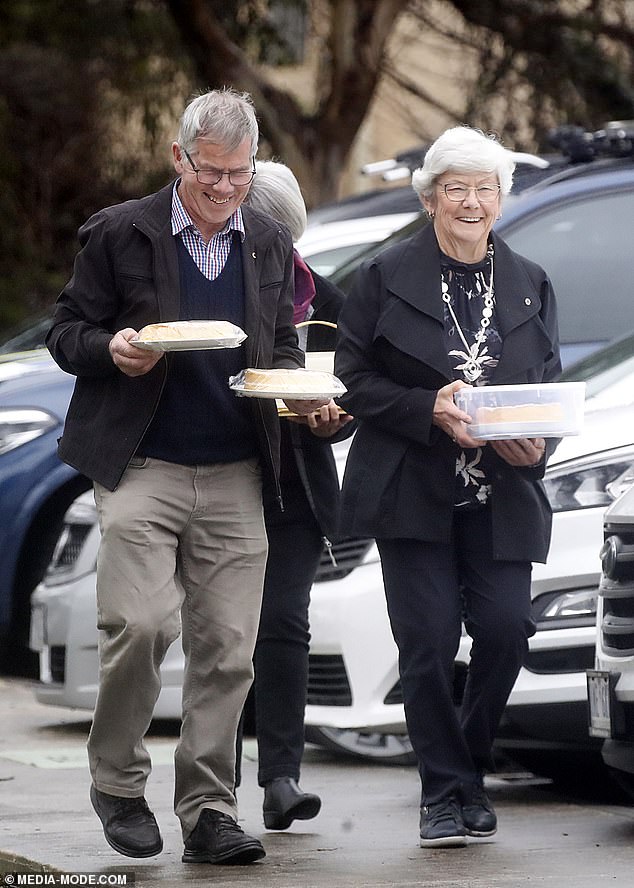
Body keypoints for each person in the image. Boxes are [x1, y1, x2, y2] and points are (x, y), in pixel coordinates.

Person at [46, 87, 329, 866]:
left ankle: (208, 808)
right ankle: (117, 781)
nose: (225, 189)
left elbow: (280, 350)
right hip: (142, 463)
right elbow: (66, 332)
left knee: (230, 648)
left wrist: (306, 399)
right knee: (137, 626)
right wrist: (114, 349)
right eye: (211, 173)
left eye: (239, 175)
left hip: (237, 468)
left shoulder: (267, 241)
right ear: (179, 158)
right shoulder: (120, 233)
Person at [334, 126, 561, 848]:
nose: (471, 201)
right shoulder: (383, 276)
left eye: (484, 188)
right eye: (456, 187)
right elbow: (353, 380)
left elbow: (549, 387)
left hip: (503, 492)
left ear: (501, 200)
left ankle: (467, 763)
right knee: (427, 643)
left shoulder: (530, 281)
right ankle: (445, 792)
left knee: (506, 631)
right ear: (430, 197)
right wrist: (424, 409)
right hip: (411, 489)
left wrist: (538, 445)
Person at [240, 159, 353, 829]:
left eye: (276, 232)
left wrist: (334, 418)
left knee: (283, 626)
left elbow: (352, 394)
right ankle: (212, 784)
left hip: (296, 490)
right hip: (218, 480)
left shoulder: (330, 305)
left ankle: (281, 779)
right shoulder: (207, 300)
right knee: (219, 635)